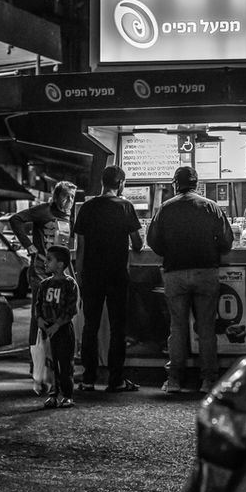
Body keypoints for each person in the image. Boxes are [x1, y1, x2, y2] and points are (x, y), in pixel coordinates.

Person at [147, 166, 233, 394]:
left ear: (175, 184)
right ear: (197, 184)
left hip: (175, 272)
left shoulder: (165, 208)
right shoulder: (211, 206)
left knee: (177, 327)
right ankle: (208, 381)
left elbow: (153, 241)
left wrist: (170, 249)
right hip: (206, 271)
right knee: (206, 327)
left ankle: (174, 379)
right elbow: (227, 242)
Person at [74, 165, 144, 393]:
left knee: (90, 327)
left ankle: (88, 378)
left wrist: (80, 274)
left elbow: (81, 246)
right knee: (117, 327)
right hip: (116, 274)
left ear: (102, 183)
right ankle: (116, 380)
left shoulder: (87, 207)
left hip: (92, 275)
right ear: (121, 183)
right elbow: (137, 243)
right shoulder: (125, 206)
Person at [10, 181, 77, 346]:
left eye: (72, 197)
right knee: (40, 311)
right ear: (55, 196)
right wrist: (29, 246)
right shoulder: (43, 210)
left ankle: (51, 354)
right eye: (65, 195)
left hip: (60, 272)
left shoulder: (70, 216)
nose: (69, 200)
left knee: (59, 311)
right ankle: (36, 354)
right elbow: (16, 219)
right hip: (40, 270)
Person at [35, 245, 79, 409]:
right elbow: (38, 304)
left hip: (63, 330)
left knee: (65, 363)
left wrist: (58, 324)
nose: (45, 263)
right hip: (47, 330)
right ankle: (53, 394)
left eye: (49, 260)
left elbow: (71, 308)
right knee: (50, 364)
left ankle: (67, 395)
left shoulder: (69, 284)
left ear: (60, 264)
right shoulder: (44, 284)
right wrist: (39, 319)